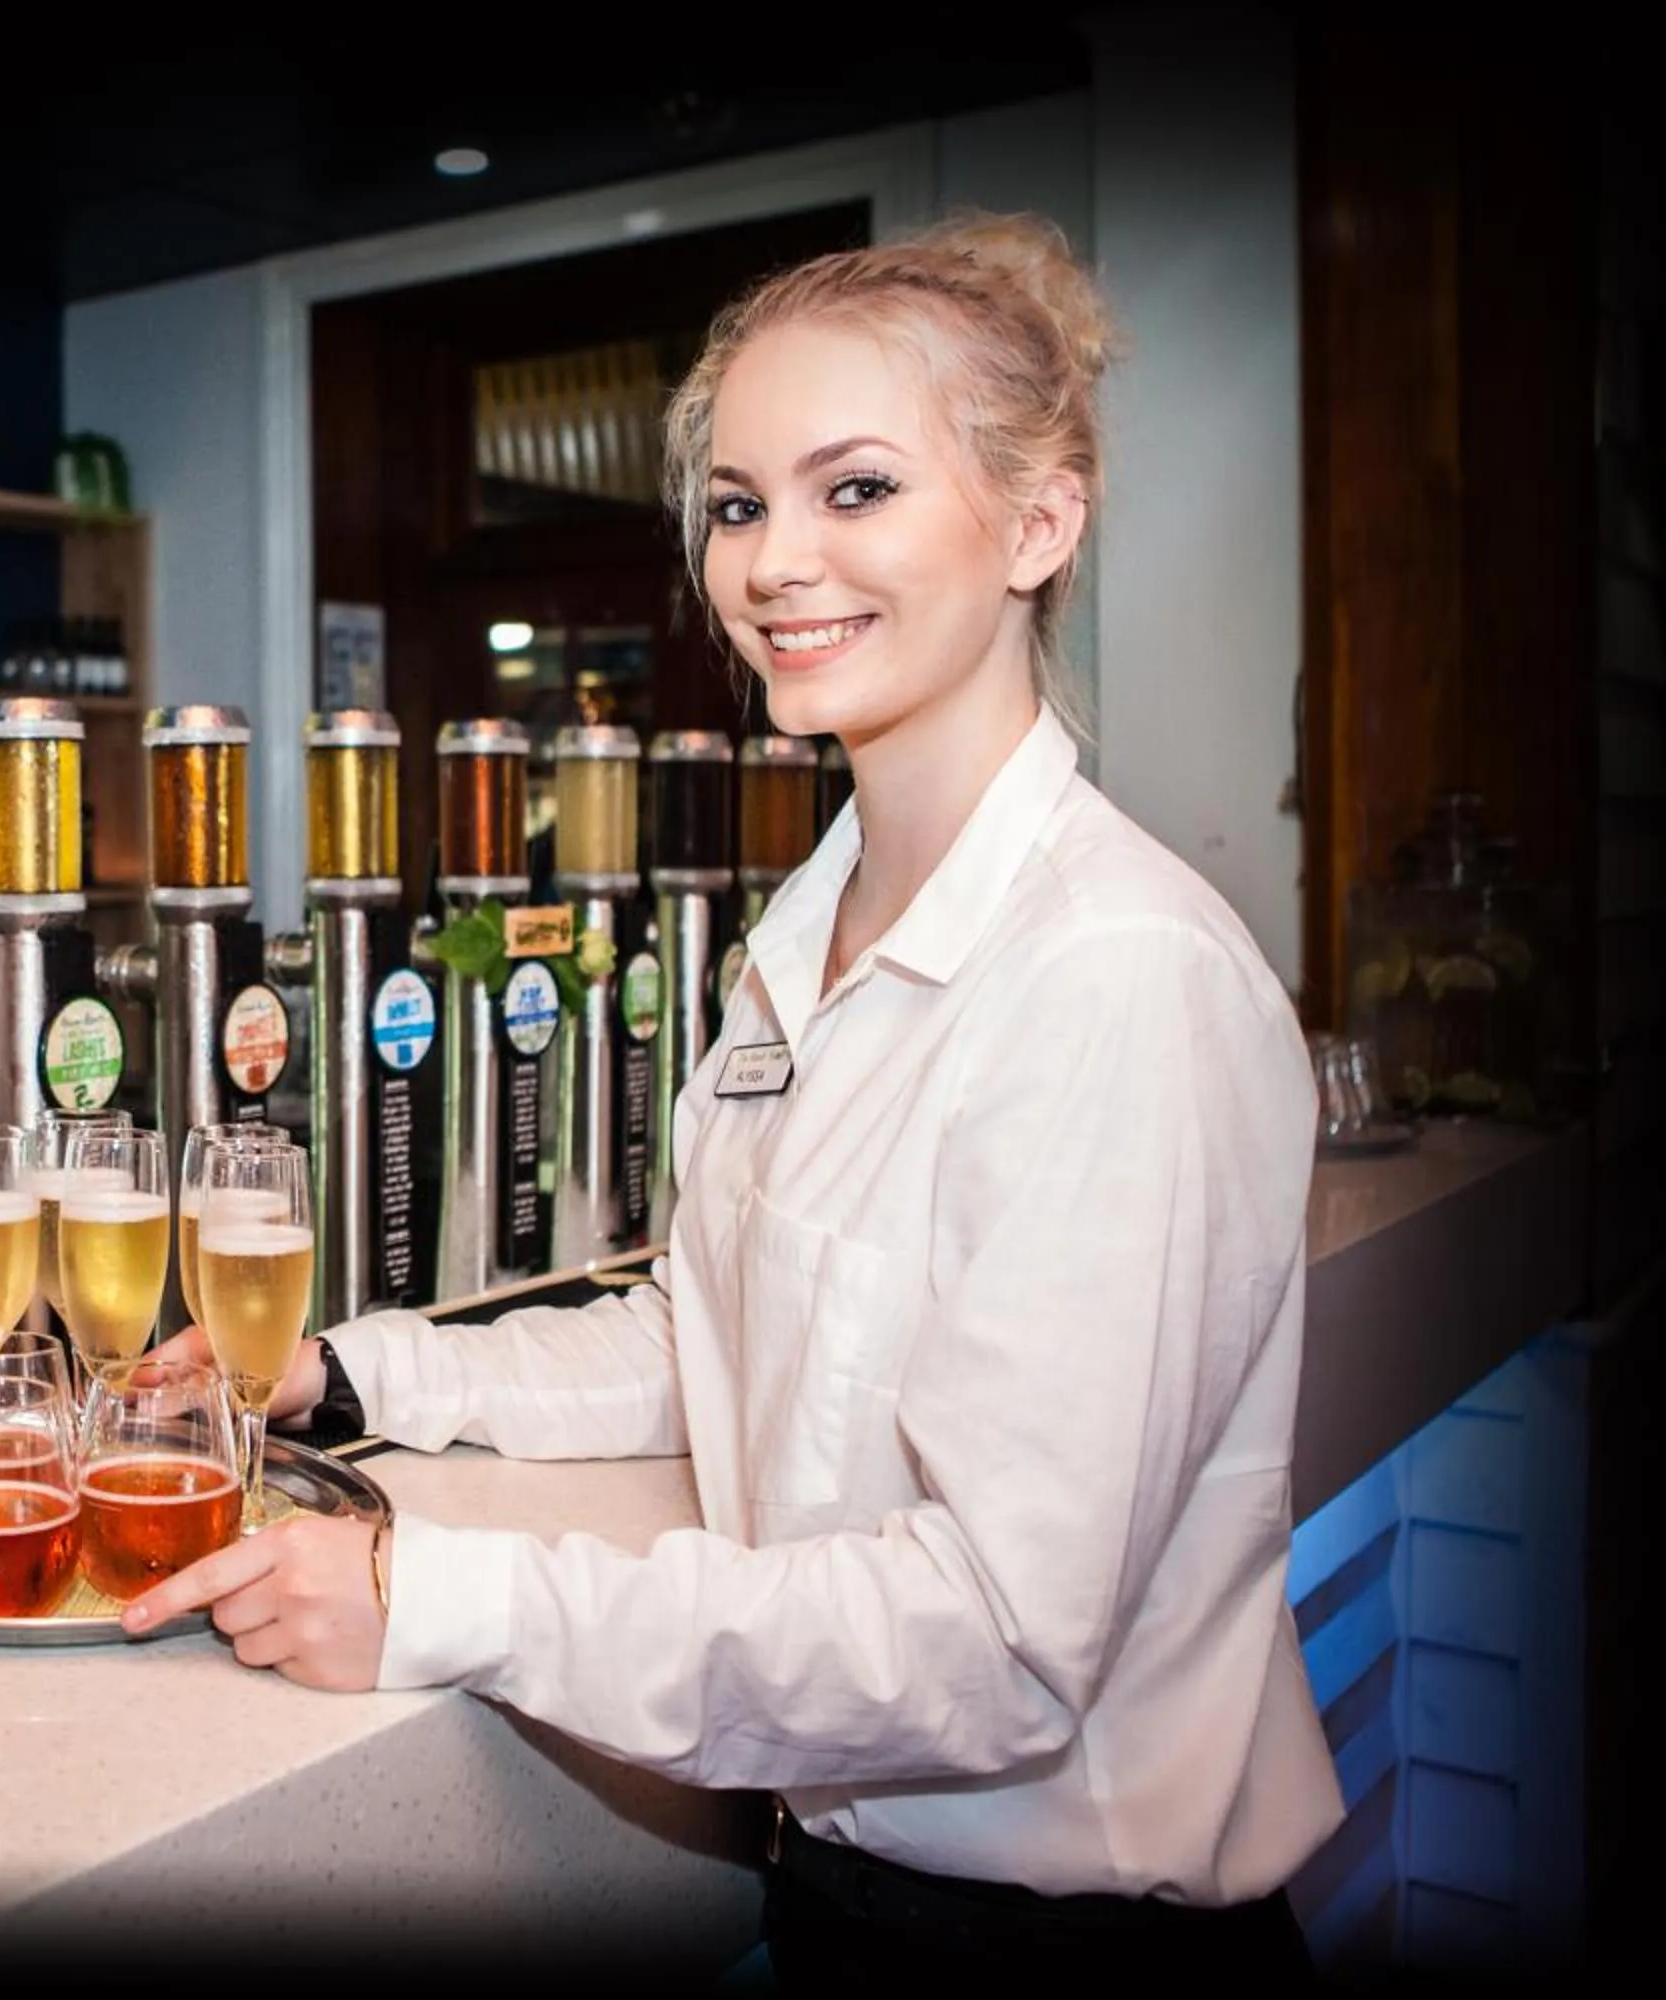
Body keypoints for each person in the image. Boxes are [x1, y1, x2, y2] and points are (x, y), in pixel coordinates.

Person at [131, 212, 1339, 1982]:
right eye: (739, 503)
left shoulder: (1114, 976)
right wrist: (354, 1373)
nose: (777, 561)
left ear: (1039, 520)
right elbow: (708, 1329)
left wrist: (445, 1603)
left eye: (856, 491)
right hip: (841, 1904)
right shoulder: (812, 933)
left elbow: (998, 1639)